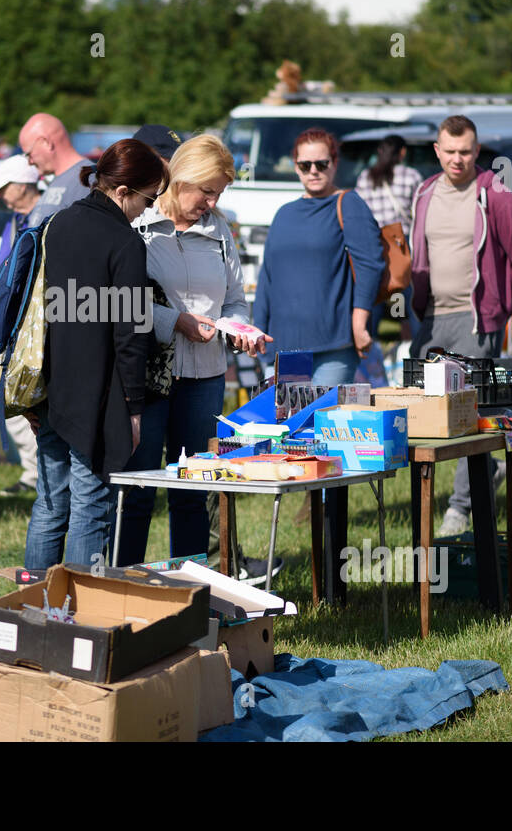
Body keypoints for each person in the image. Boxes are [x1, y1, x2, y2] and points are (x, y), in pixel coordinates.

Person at [117, 135, 272, 570]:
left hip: (205, 378)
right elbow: (123, 300)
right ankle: (124, 582)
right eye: (206, 190)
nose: (211, 201)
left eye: (219, 193)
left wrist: (238, 326)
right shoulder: (138, 224)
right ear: (182, 177)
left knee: (192, 490)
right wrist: (175, 323)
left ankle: (192, 592)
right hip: (147, 378)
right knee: (139, 489)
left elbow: (235, 298)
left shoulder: (219, 230)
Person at [23, 139, 166, 569]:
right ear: (123, 191)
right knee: (90, 503)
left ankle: (30, 607)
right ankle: (78, 618)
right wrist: (134, 407)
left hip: (47, 384)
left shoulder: (57, 224)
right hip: (97, 396)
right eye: (149, 198)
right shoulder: (126, 243)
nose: (149, 208)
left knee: (50, 503)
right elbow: (130, 333)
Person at [411, 115, 512, 536]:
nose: (458, 159)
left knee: (468, 415)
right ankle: (453, 488)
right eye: (449, 151)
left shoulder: (495, 194)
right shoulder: (424, 193)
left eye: (465, 152)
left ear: (476, 151)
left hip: (475, 318)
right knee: (424, 412)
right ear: (437, 151)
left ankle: (460, 508)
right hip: (431, 318)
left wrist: (498, 310)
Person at [254, 129, 383, 384]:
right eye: (305, 165)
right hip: (283, 348)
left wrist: (359, 323)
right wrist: (258, 329)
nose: (314, 171)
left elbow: (370, 266)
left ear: (334, 164)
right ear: (296, 167)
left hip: (334, 346)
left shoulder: (349, 204)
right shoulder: (284, 214)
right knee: (286, 424)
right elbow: (267, 277)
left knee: (322, 422)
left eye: (321, 164)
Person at [0, 155, 44, 497]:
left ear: (23, 185)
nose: (1, 196)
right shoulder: (15, 220)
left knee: (27, 394)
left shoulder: (41, 216)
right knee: (17, 396)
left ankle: (39, 475)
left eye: (5, 188)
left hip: (32, 323)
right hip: (12, 321)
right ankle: (32, 472)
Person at [356, 133, 422, 340]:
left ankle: (369, 349)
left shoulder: (365, 177)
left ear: (380, 152)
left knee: (374, 299)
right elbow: (420, 212)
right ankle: (420, 353)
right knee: (412, 302)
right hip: (402, 246)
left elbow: (359, 212)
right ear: (402, 153)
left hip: (374, 244)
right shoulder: (411, 176)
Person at [17, 113, 93, 216]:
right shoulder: (58, 179)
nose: (29, 162)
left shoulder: (88, 179)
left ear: (46, 142)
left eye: (29, 154)